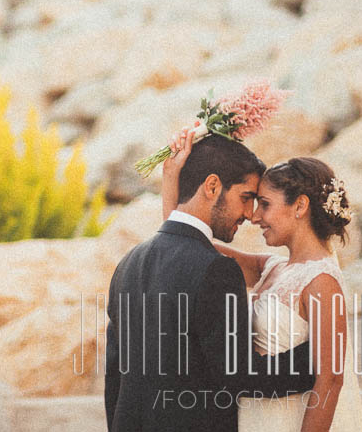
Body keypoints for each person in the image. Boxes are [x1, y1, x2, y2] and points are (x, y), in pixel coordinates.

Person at [105, 131, 316, 432]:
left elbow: (114, 375)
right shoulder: (217, 269)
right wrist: (317, 354)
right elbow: (241, 374)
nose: (249, 214)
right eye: (246, 198)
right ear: (213, 186)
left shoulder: (128, 263)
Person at [160, 127, 362, 431]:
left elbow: (331, 379)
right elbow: (187, 241)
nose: (255, 217)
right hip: (255, 416)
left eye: (265, 205)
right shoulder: (271, 268)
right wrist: (171, 174)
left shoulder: (323, 281)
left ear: (299, 206)